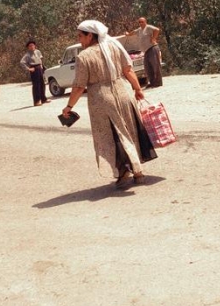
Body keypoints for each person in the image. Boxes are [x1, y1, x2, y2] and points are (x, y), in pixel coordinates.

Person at [62, 20, 157, 187]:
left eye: (80, 36)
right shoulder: (113, 47)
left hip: (103, 100)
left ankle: (123, 172)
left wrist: (69, 107)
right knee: (130, 130)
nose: (79, 40)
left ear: (90, 35)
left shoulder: (84, 56)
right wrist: (137, 89)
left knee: (113, 137)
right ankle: (138, 172)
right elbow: (128, 69)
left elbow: (78, 86)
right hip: (124, 92)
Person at [125, 17, 163, 88]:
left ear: (145, 22)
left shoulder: (148, 27)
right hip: (146, 51)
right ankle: (152, 82)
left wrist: (153, 38)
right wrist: (128, 34)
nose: (141, 23)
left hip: (152, 48)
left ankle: (158, 83)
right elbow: (133, 32)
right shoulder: (139, 30)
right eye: (139, 22)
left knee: (155, 66)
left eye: (142, 22)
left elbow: (157, 30)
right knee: (147, 67)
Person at [20, 40, 50, 106]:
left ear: (35, 46)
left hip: (40, 68)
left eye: (33, 45)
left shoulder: (38, 51)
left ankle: (43, 99)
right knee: (36, 85)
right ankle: (37, 101)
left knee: (42, 83)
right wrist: (29, 69)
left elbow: (41, 59)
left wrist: (41, 65)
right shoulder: (27, 55)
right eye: (30, 46)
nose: (32, 47)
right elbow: (22, 62)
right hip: (34, 69)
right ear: (28, 47)